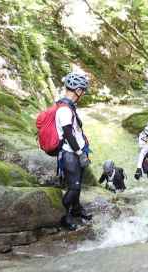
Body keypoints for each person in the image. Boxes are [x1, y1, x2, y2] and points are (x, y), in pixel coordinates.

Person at [56, 72, 92, 231]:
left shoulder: (69, 106)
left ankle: (76, 209)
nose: (83, 93)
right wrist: (79, 153)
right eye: (83, 90)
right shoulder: (64, 110)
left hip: (76, 150)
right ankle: (64, 216)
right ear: (77, 90)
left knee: (78, 183)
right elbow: (68, 134)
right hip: (70, 154)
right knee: (74, 187)